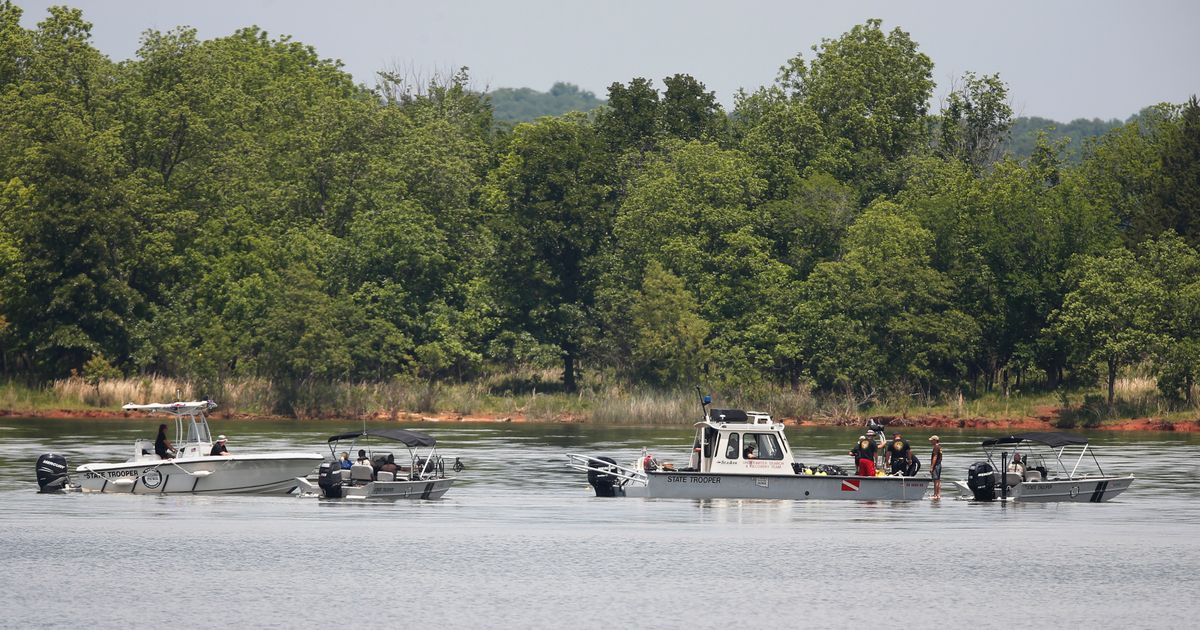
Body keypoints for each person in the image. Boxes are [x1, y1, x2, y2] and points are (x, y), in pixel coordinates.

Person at [928, 435, 943, 499]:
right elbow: (941, 458)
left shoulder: (936, 447)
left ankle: (935, 495)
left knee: (935, 480)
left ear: (935, 440)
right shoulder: (939, 447)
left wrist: (932, 467)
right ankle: (938, 495)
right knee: (938, 480)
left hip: (936, 465)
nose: (931, 441)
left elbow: (935, 457)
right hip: (939, 465)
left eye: (931, 440)